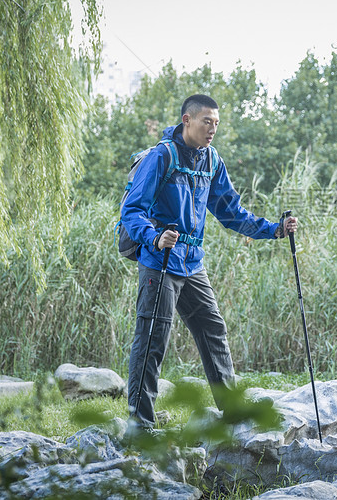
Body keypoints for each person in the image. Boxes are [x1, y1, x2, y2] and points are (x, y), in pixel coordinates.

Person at [121, 94, 297, 429]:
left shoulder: (212, 161)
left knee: (212, 328)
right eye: (207, 121)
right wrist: (155, 237)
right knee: (152, 338)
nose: (212, 128)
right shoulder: (162, 156)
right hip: (160, 260)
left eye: (216, 122)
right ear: (187, 120)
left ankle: (231, 413)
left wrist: (274, 230)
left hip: (191, 263)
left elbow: (231, 213)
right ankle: (140, 424)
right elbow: (132, 211)